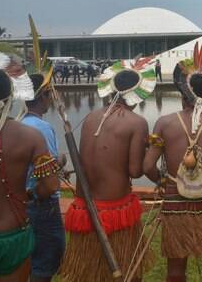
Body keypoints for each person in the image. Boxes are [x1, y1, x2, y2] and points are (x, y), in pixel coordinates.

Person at [144, 9, 202, 282]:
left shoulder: (164, 122)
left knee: (176, 270)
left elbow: (147, 166)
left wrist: (165, 182)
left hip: (176, 201)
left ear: (181, 91)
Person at [0, 28, 60, 281]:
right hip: (13, 234)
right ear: (11, 93)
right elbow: (50, 185)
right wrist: (29, 194)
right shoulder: (30, 136)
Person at [59, 58, 157, 282]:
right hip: (114, 208)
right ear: (138, 94)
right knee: (127, 273)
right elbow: (135, 171)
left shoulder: (90, 118)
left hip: (85, 205)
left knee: (89, 274)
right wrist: (149, 150)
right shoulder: (136, 122)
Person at [20, 18, 66, 282]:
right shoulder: (41, 128)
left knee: (30, 259)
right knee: (45, 261)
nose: (51, 99)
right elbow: (46, 180)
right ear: (42, 97)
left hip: (24, 203)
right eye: (49, 94)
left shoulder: (18, 124)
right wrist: (59, 163)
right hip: (42, 203)